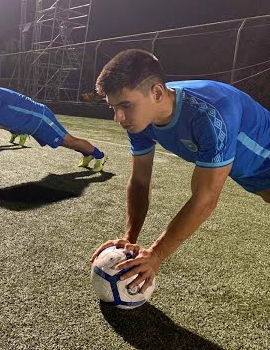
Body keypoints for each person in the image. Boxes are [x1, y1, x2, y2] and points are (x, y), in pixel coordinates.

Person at [91, 49, 270, 294]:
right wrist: (129, 239)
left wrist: (155, 255)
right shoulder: (140, 119)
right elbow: (140, 181)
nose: (118, 117)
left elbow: (204, 199)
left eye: (125, 105)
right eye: (113, 107)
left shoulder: (210, 113)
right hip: (249, 171)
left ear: (156, 93)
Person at [0, 86, 108, 172]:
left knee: (68, 140)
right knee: (64, 143)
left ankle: (99, 156)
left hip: (39, 118)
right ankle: (87, 154)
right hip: (31, 127)